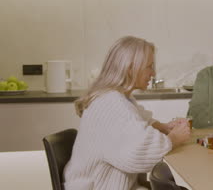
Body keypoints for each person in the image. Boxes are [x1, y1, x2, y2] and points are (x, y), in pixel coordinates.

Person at [64, 36, 191, 190]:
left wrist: (163, 127)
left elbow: (137, 118)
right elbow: (141, 154)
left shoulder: (115, 97)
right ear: (131, 68)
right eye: (149, 66)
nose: (153, 73)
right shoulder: (110, 103)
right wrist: (174, 138)